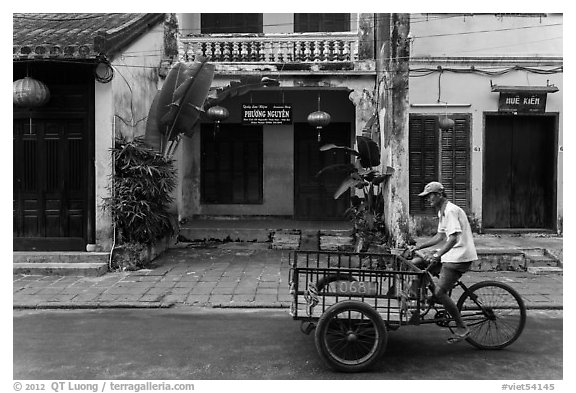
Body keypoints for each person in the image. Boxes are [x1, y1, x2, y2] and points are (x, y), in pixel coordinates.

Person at [409, 181, 478, 344]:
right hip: (452, 254)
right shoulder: (442, 211)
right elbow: (440, 237)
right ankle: (422, 298)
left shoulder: (451, 210)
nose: (427, 199)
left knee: (440, 293)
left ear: (439, 195)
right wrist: (420, 246)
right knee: (418, 262)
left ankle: (462, 327)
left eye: (430, 196)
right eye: (426, 197)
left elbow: (453, 238)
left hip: (459, 257)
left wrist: (438, 254)